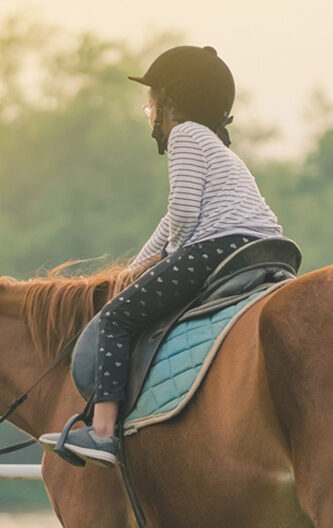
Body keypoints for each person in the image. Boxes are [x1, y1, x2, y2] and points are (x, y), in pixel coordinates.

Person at [39, 45, 283, 466]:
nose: (148, 109)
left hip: (218, 247)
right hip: (260, 248)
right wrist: (137, 268)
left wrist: (172, 254)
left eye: (152, 100)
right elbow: (172, 218)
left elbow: (185, 215)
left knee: (117, 317)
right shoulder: (219, 148)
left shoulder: (186, 134)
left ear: (172, 100)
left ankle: (103, 433)